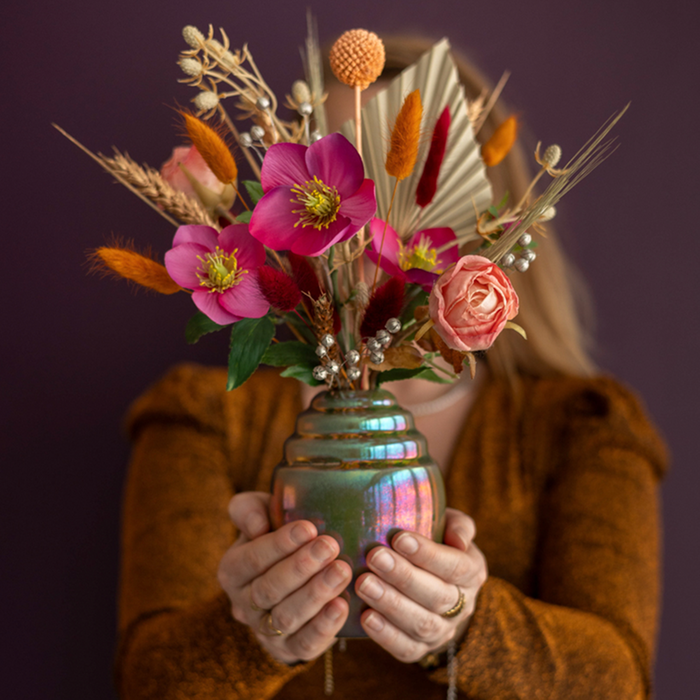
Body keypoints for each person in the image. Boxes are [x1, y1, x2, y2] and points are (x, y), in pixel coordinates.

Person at [115, 36, 667, 699]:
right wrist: (249, 637)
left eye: (404, 183)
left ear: (489, 222)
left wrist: (468, 631)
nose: (365, 224)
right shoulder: (204, 415)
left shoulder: (584, 425)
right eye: (346, 177)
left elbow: (619, 682)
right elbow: (149, 682)